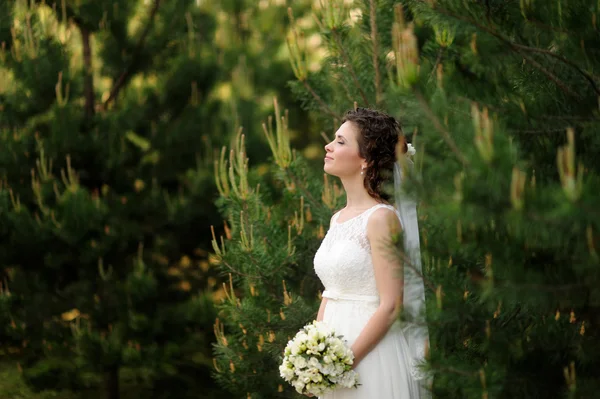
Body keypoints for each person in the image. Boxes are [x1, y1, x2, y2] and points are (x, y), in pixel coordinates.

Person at [314, 108, 429, 398]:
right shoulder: (337, 218)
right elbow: (331, 292)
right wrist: (314, 357)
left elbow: (391, 305)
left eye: (340, 141)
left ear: (365, 160)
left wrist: (345, 362)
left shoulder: (381, 218)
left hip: (370, 355)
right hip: (333, 348)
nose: (328, 146)